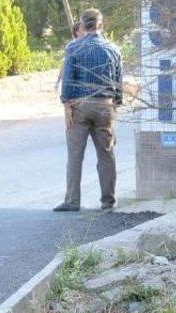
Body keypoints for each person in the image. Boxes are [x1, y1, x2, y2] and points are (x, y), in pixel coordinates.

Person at [54, 8, 123, 213]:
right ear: (101, 25)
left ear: (82, 26)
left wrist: (66, 105)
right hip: (105, 105)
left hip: (80, 106)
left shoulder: (73, 48)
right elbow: (118, 83)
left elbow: (68, 80)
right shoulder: (114, 49)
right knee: (107, 154)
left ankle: (72, 201)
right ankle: (108, 201)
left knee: (75, 155)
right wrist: (115, 103)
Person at [54, 21, 85, 94]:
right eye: (82, 29)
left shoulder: (88, 43)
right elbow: (64, 65)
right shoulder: (71, 46)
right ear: (77, 32)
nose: (85, 30)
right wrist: (58, 81)